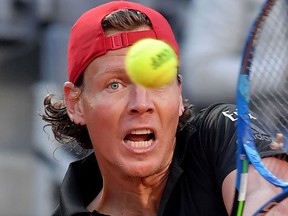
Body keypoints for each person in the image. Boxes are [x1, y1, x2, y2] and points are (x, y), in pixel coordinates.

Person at [41, 1, 288, 215]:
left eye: (157, 82)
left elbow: (265, 196)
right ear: (76, 104)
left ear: (179, 95)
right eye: (114, 85)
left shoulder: (220, 132)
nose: (141, 104)